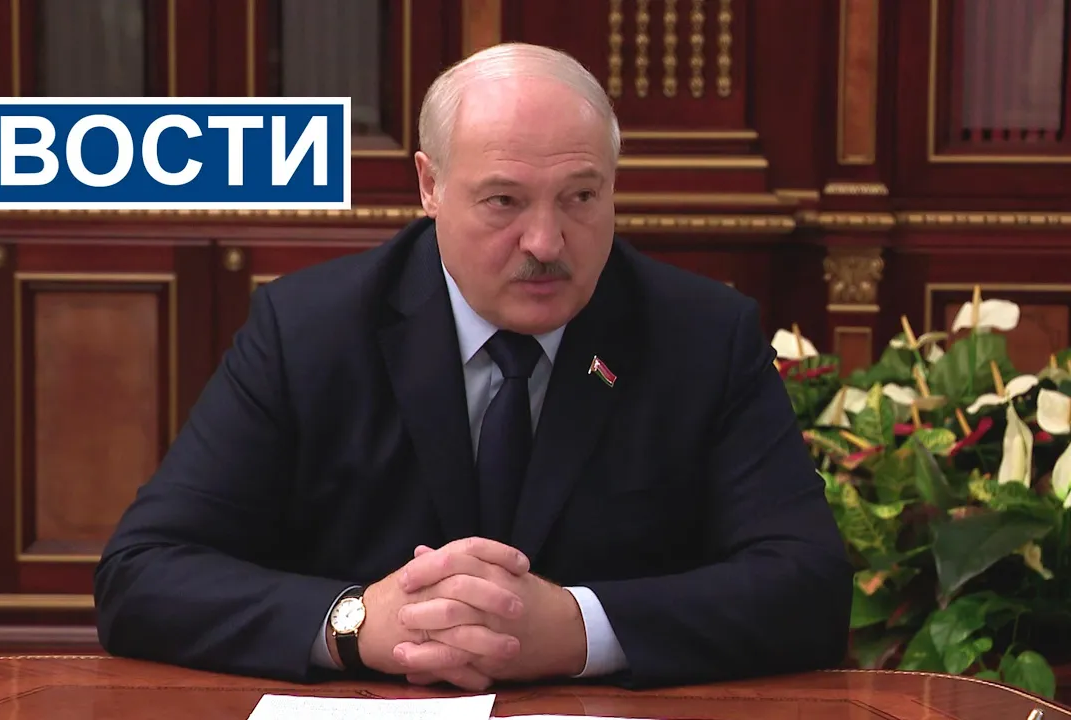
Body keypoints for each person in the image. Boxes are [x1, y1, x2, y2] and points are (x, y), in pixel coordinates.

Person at [93, 42, 853, 692]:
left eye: (581, 196)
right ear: (430, 186)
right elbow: (142, 573)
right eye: (503, 201)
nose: (547, 242)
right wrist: (355, 623)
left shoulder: (703, 335)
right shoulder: (309, 330)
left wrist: (579, 629)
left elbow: (809, 587)